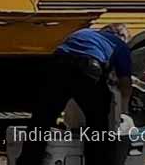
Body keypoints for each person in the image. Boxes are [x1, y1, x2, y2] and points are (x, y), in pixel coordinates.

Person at [18, 23, 131, 165]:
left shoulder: (83, 33)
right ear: (121, 36)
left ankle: (28, 161)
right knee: (97, 121)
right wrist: (125, 110)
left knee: (43, 117)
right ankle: (97, 161)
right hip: (88, 69)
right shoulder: (119, 44)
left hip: (56, 65)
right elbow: (125, 83)